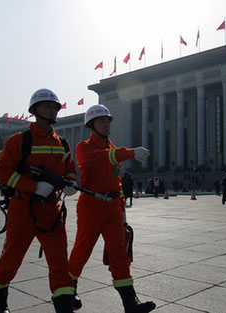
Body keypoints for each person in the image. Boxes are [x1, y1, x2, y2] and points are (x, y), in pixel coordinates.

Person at [0, 88, 78, 313]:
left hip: (51, 210)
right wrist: (33, 186)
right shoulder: (20, 140)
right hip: (23, 208)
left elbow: (70, 170)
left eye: (54, 106)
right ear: (34, 110)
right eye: (47, 106)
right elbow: (3, 173)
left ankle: (64, 307)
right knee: (12, 257)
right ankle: (0, 298)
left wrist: (69, 183)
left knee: (60, 261)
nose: (51, 109)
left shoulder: (63, 143)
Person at [68, 104, 156, 313]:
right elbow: (105, 157)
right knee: (82, 250)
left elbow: (116, 181)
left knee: (119, 254)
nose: (107, 124)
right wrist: (131, 153)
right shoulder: (84, 147)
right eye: (102, 121)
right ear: (91, 125)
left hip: (113, 207)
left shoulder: (111, 147)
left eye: (108, 121)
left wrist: (122, 209)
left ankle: (130, 302)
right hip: (92, 206)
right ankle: (68, 290)